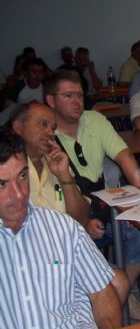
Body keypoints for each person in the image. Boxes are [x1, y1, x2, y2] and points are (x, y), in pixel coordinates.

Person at [0, 127, 121, 329]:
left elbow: (102, 294)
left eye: (23, 176)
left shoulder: (63, 228)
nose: (18, 194)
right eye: (1, 184)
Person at [44, 69, 140, 321]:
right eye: (69, 95)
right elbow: (49, 199)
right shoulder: (44, 136)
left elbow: (123, 155)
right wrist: (82, 222)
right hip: (65, 219)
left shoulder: (94, 120)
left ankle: (121, 288)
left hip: (101, 206)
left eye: (80, 95)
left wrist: (138, 197)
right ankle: (100, 298)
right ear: (51, 100)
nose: (77, 101)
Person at [9, 102, 130, 304]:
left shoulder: (55, 162)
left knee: (119, 283)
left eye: (53, 128)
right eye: (42, 125)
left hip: (63, 251)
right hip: (27, 257)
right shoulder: (9, 171)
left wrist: (64, 175)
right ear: (18, 128)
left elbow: (80, 218)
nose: (50, 133)